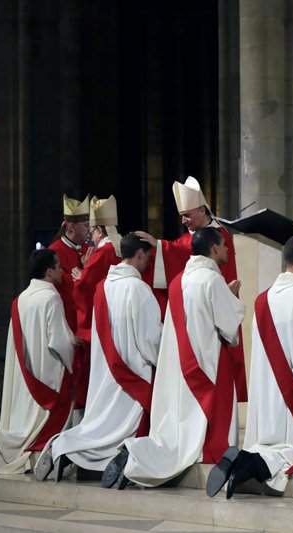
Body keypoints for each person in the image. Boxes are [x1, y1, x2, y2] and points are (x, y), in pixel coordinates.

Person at [101, 227, 244, 489]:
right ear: (213, 249)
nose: (227, 250)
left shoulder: (179, 280)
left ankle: (139, 454)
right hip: (208, 363)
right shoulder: (212, 280)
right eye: (224, 246)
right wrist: (233, 299)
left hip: (184, 364)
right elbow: (229, 327)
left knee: (182, 429)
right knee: (200, 432)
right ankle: (140, 456)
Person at [206, 235, 293, 498]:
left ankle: (246, 460)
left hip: (266, 394)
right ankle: (253, 463)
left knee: (269, 441)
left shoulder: (263, 300)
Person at [34, 234, 162, 482]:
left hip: (106, 369)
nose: (149, 263)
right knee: (119, 429)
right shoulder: (139, 289)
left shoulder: (103, 286)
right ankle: (68, 448)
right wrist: (163, 359)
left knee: (101, 423)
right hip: (132, 370)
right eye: (148, 256)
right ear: (139, 254)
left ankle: (66, 448)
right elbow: (149, 338)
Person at [135, 176, 247, 401]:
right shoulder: (196, 238)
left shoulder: (218, 236)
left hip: (212, 317)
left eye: (187, 215)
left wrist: (158, 246)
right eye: (182, 216)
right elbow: (178, 249)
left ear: (203, 212)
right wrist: (159, 246)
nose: (184, 220)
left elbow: (177, 251)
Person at [0, 249, 76, 475]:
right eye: (58, 267)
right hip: (47, 372)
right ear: (49, 271)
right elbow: (58, 341)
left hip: (25, 372)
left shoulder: (20, 299)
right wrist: (73, 350)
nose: (62, 271)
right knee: (43, 421)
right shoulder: (51, 297)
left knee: (26, 422)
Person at [71, 195, 122, 410]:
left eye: (92, 232)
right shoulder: (121, 248)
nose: (91, 237)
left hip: (100, 325)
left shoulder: (102, 253)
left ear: (100, 230)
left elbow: (85, 289)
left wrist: (79, 277)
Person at [47, 194, 92, 334]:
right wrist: (84, 272)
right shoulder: (54, 251)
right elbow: (61, 283)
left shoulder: (87, 249)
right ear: (72, 227)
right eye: (86, 225)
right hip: (67, 320)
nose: (90, 230)